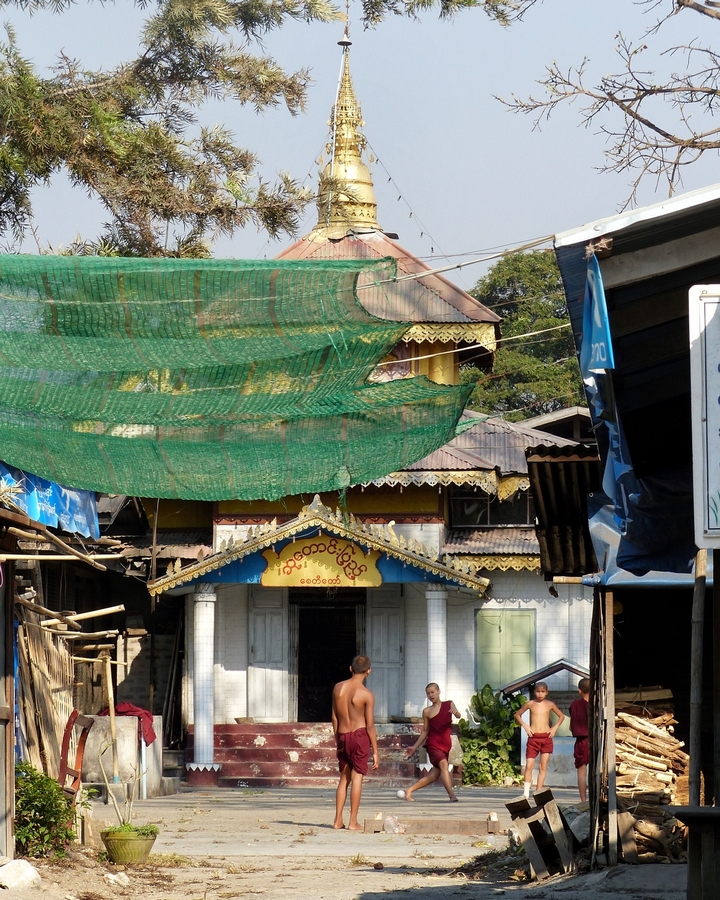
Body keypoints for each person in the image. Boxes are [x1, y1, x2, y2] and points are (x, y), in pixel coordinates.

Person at [331, 654, 379, 830]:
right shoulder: (366, 694)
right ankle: (353, 821)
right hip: (359, 736)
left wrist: (338, 738)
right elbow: (370, 726)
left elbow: (334, 717)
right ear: (368, 671)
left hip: (343, 734)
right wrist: (375, 751)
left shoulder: (338, 688)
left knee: (344, 778)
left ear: (351, 669)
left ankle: (337, 820)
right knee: (357, 777)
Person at [404, 683, 461, 802]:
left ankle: (409, 790)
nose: (431, 695)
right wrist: (414, 747)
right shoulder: (427, 711)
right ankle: (452, 796)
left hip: (445, 745)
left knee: (434, 776)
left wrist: (456, 713)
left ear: (438, 692)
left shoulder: (449, 704)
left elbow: (458, 715)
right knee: (444, 764)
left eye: (432, 692)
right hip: (433, 744)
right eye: (428, 693)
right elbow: (425, 731)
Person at [514, 681, 565, 799]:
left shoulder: (550, 704)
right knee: (529, 765)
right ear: (534, 692)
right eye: (538, 691)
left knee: (543, 766)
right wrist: (526, 726)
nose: (540, 694)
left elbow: (561, 716)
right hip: (533, 738)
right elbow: (517, 715)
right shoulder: (530, 703)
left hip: (546, 738)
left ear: (546, 692)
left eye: (542, 691)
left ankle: (538, 792)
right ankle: (526, 793)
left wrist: (554, 728)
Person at [569, 677, 590, 802]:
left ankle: (583, 801)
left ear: (579, 690)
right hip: (595, 741)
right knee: (597, 771)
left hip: (581, 742)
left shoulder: (575, 705)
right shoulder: (596, 705)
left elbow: (571, 726)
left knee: (582, 773)